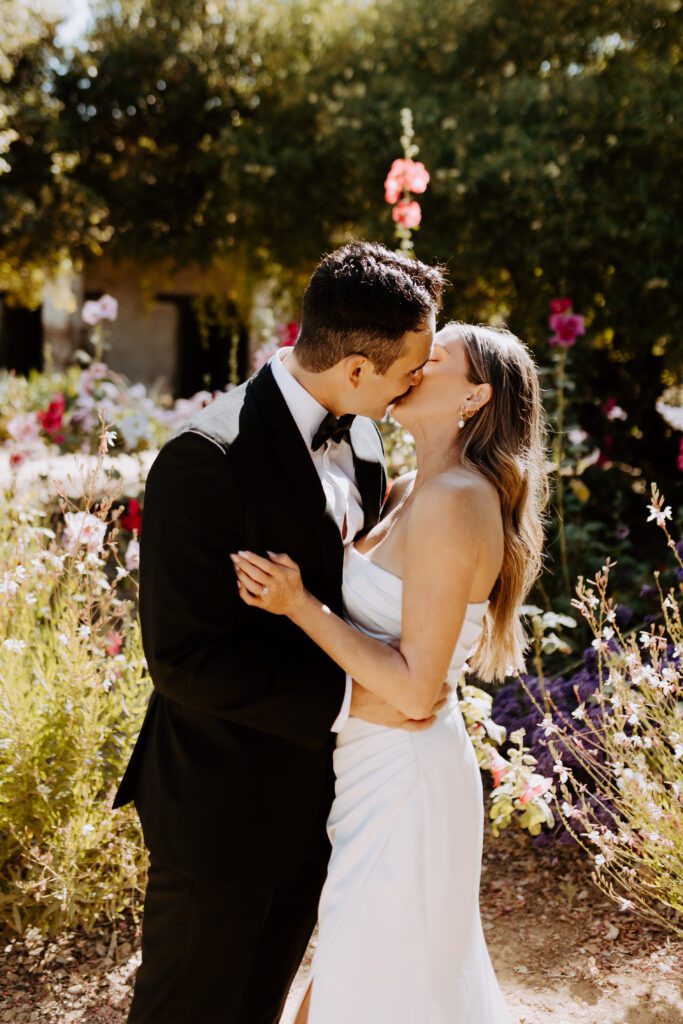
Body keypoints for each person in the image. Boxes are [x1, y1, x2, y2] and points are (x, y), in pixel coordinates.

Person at [112, 240, 448, 1023]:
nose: (417, 382)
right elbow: (184, 660)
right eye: (411, 367)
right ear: (357, 369)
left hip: (323, 805)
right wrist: (349, 701)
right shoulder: (205, 459)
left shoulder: (361, 435)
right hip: (222, 807)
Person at [232, 320, 549, 1024]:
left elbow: (411, 690)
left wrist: (297, 604)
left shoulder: (455, 501)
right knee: (365, 990)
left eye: (431, 359)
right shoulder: (410, 486)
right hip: (369, 768)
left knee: (365, 996)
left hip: (404, 777)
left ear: (473, 398)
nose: (409, 365)